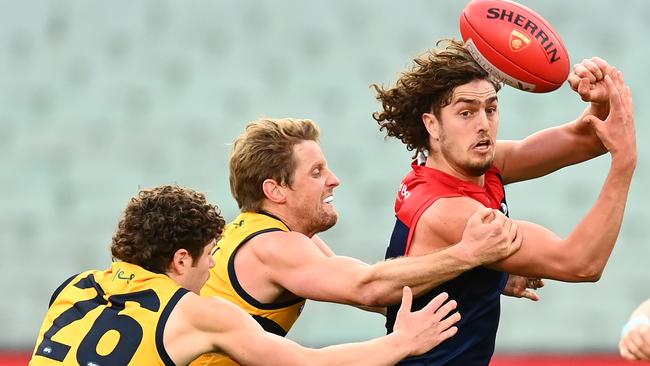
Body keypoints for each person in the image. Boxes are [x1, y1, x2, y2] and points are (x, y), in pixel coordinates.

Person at [371, 39, 636, 365]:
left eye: (491, 109)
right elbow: (580, 264)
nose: (483, 124)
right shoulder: (449, 210)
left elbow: (584, 138)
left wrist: (600, 99)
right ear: (431, 124)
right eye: (466, 113)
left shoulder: (474, 166)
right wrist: (624, 164)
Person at [191, 117, 538, 366]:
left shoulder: (259, 234)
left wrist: (481, 278)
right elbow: (367, 287)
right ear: (275, 190)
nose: (334, 180)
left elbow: (381, 293)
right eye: (316, 172)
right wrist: (468, 254)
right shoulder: (273, 247)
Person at [29, 185, 465, 366]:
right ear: (181, 260)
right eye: (209, 256)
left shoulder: (73, 287)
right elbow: (309, 364)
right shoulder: (197, 314)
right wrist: (401, 342)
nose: (213, 267)